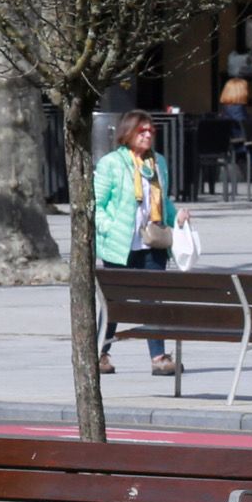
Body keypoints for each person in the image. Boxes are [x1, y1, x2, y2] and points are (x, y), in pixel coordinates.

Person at [93, 115, 185, 375]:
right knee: (114, 303)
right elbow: (97, 204)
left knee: (153, 300)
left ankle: (158, 358)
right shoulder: (111, 163)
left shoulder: (158, 163)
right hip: (120, 245)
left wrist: (175, 215)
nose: (147, 136)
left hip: (152, 242)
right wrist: (108, 228)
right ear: (128, 133)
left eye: (150, 131)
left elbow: (163, 200)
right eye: (141, 131)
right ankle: (100, 353)